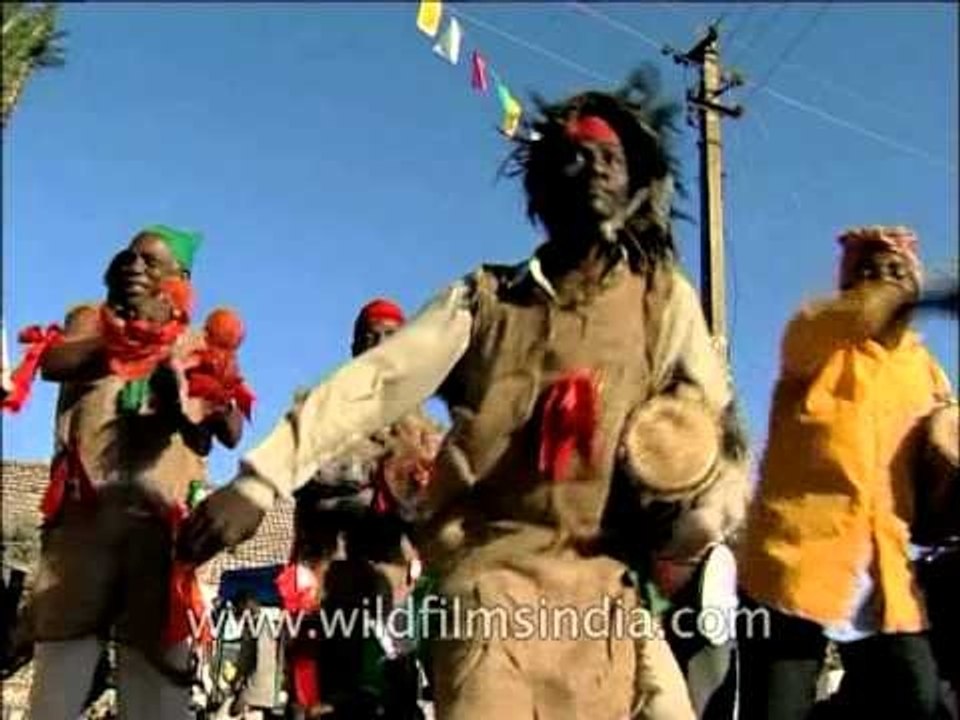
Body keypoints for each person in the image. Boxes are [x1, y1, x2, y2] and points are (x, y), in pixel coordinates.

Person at [179, 67, 747, 720]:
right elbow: (378, 382)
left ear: (638, 181)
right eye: (574, 154)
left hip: (607, 592)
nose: (591, 166)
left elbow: (713, 429)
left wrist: (694, 515)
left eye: (610, 157)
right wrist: (260, 480)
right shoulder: (486, 300)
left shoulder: (664, 301)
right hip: (489, 584)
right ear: (542, 178)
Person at [16, 225, 246, 720]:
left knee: (156, 691)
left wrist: (199, 384)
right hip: (83, 532)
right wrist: (128, 338)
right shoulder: (89, 321)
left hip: (161, 538)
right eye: (129, 257)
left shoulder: (201, 342)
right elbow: (54, 360)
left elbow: (231, 430)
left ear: (180, 278)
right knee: (57, 686)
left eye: (150, 261)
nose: (134, 266)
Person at [737, 225, 958, 720]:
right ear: (847, 286)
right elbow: (854, 314)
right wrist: (921, 294)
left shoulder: (924, 370)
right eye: (869, 271)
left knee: (917, 700)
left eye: (897, 271)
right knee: (776, 709)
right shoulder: (814, 339)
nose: (883, 280)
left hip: (886, 573)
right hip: (792, 565)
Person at [281, 297, 441, 719]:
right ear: (354, 347)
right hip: (327, 578)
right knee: (318, 696)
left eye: (389, 337)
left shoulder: (419, 425)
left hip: (390, 584)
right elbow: (296, 471)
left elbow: (431, 504)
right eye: (369, 337)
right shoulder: (322, 408)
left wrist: (409, 496)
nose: (378, 345)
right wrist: (364, 482)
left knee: (393, 691)